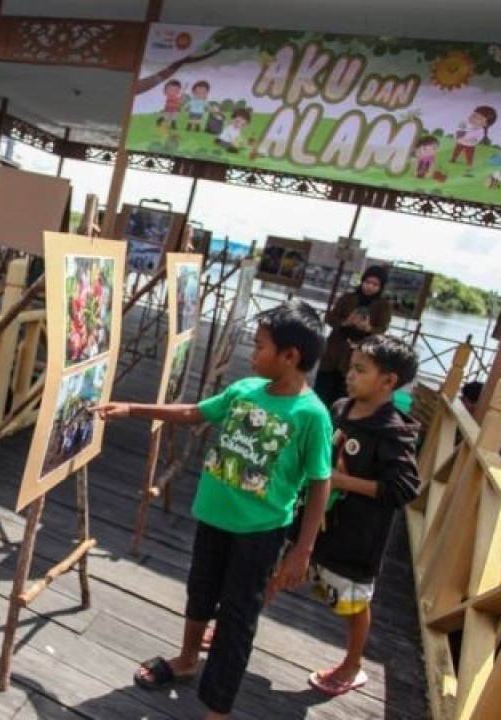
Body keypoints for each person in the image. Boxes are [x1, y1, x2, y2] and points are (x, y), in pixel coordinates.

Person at [96, 300, 334, 720]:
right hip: (213, 519)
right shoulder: (244, 391)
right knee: (201, 592)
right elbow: (194, 413)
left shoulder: (312, 416)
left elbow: (320, 483)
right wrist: (133, 409)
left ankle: (217, 708)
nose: (251, 352)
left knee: (238, 618)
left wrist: (303, 550)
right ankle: (188, 659)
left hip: (260, 533)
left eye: (259, 346)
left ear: (290, 356)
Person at [305, 335, 420, 696]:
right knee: (278, 570)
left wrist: (343, 481)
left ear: (388, 381)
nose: (349, 375)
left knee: (352, 603)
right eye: (350, 367)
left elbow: (403, 489)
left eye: (360, 370)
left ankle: (353, 664)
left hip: (356, 536)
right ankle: (232, 626)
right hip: (314, 520)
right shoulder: (340, 408)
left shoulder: (394, 433)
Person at [314, 265, 393, 409]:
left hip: (359, 355)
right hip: (335, 352)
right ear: (362, 281)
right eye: (367, 282)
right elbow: (329, 317)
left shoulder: (383, 306)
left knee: (344, 395)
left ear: (381, 287)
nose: (369, 287)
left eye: (375, 284)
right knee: (322, 391)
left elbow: (382, 329)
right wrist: (345, 322)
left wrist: (368, 328)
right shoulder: (348, 298)